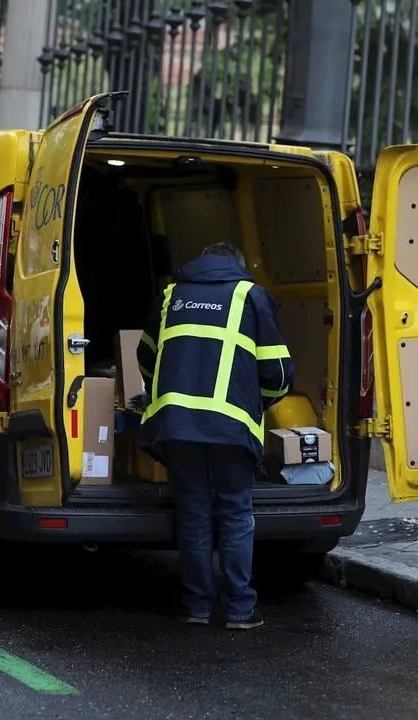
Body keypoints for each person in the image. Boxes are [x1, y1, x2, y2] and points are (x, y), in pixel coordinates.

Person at [136, 242, 293, 630]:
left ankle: (196, 606)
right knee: (236, 512)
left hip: (178, 425)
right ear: (237, 266)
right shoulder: (250, 296)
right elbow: (277, 372)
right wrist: (259, 402)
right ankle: (239, 609)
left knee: (192, 513)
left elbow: (144, 355)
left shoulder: (171, 296)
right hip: (229, 424)